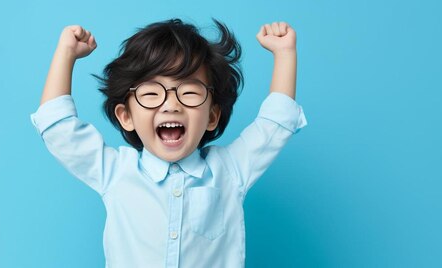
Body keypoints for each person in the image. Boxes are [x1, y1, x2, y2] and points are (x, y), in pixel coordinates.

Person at [30, 18, 307, 268]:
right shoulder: (115, 172)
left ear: (212, 116)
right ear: (126, 116)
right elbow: (58, 128)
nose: (171, 105)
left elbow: (275, 123)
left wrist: (285, 54)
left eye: (189, 91)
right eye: (151, 93)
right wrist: (66, 54)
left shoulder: (230, 171)